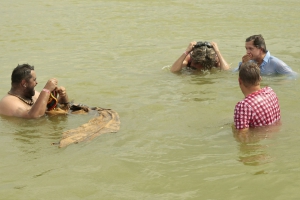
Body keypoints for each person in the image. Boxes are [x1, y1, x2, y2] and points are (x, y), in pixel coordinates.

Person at [0, 64, 69, 119]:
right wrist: (46, 90)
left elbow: (52, 106)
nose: (37, 82)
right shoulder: (8, 102)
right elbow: (34, 117)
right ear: (24, 83)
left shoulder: (33, 94)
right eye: (34, 80)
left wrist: (63, 97)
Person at [234, 61, 281, 132]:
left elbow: (242, 137)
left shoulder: (244, 105)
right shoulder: (270, 92)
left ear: (240, 81)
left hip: (261, 141)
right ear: (260, 78)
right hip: (274, 136)